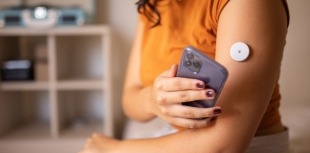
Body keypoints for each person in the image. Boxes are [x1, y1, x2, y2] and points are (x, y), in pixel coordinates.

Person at [80, 0, 290, 152]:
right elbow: (129, 98)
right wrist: (152, 100)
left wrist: (116, 149)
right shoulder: (152, 7)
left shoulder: (250, 5)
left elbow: (224, 145)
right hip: (180, 140)